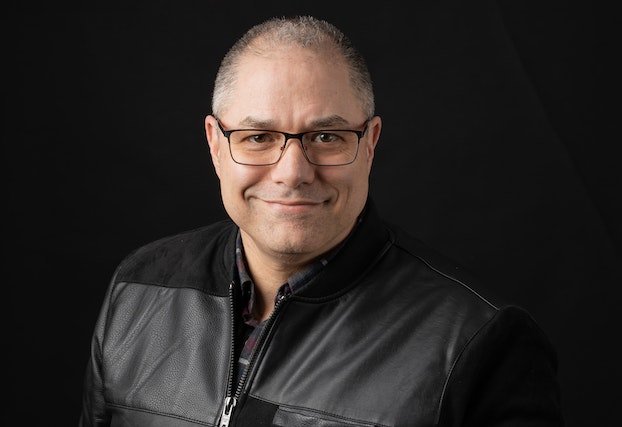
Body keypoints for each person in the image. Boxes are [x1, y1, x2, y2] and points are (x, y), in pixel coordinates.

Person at [79, 15, 563, 427]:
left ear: (370, 143)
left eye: (327, 137)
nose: (293, 172)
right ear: (215, 144)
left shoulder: (479, 340)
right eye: (258, 137)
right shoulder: (138, 287)